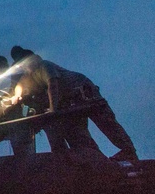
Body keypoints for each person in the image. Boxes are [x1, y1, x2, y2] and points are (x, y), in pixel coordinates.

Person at [11, 46, 139, 162]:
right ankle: (96, 159)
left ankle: (128, 151)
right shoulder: (29, 76)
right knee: (78, 132)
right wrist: (15, 96)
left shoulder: (44, 66)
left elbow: (53, 85)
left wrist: (53, 109)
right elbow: (19, 87)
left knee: (105, 122)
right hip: (71, 103)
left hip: (85, 93)